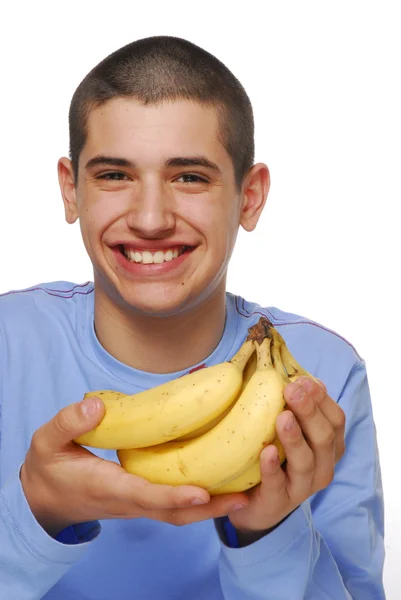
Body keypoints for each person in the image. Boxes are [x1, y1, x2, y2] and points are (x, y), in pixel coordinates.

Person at [0, 35, 384, 600]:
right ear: (70, 189)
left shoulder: (323, 374)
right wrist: (35, 514)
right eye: (113, 175)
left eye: (189, 177)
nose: (151, 219)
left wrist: (267, 534)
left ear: (249, 198)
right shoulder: (9, 343)